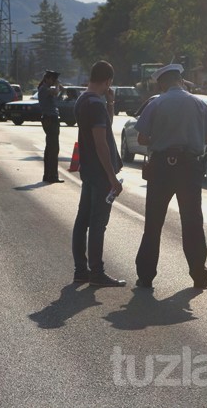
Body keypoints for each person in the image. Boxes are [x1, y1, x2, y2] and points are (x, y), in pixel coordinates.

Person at [134, 63, 207, 290]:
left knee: (153, 223)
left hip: (161, 168)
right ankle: (198, 274)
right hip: (190, 169)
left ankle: (145, 276)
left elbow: (142, 138)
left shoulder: (156, 103)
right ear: (181, 80)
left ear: (162, 83)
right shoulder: (199, 103)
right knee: (192, 223)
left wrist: (162, 139)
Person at [71, 60, 125, 287]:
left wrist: (110, 104)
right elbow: (101, 143)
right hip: (101, 173)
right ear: (108, 81)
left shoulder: (84, 99)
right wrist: (112, 177)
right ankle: (96, 272)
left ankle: (81, 270)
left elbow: (105, 126)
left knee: (83, 220)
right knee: (97, 223)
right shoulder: (95, 104)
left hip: (88, 170)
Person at [38, 69, 64, 183]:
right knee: (53, 148)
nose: (54, 82)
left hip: (51, 118)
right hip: (50, 119)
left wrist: (60, 90)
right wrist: (58, 86)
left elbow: (57, 97)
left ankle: (48, 175)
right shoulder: (44, 89)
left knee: (50, 147)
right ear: (47, 78)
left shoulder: (47, 89)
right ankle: (52, 176)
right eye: (53, 79)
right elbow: (54, 92)